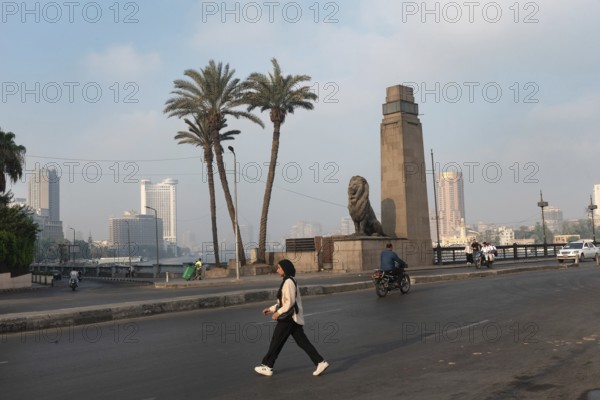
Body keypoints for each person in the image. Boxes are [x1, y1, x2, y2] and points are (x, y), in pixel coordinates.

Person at [254, 259, 329, 377]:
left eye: (279, 268)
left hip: (289, 318)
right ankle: (320, 362)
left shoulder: (288, 281)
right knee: (302, 342)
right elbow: (283, 301)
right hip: (293, 318)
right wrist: (271, 309)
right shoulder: (288, 280)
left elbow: (289, 303)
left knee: (276, 341)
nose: (277, 270)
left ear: (285, 269)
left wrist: (278, 313)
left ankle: (267, 366)